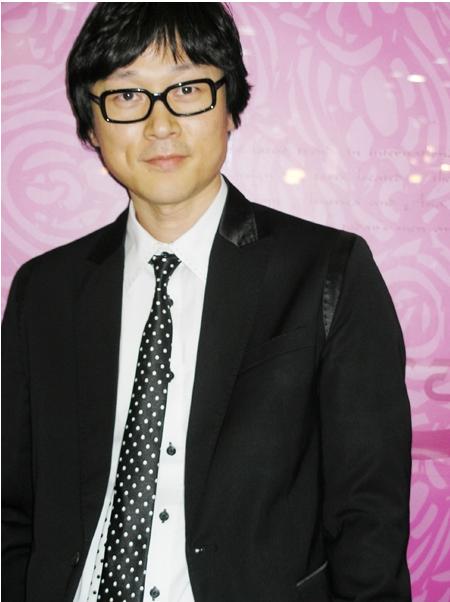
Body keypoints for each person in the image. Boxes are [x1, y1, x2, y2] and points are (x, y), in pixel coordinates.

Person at [2, 3, 412, 601]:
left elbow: (368, 519)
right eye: (127, 95)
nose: (160, 124)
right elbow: (13, 505)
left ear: (230, 106)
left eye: (188, 89)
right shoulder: (44, 290)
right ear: (91, 124)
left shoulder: (327, 272)